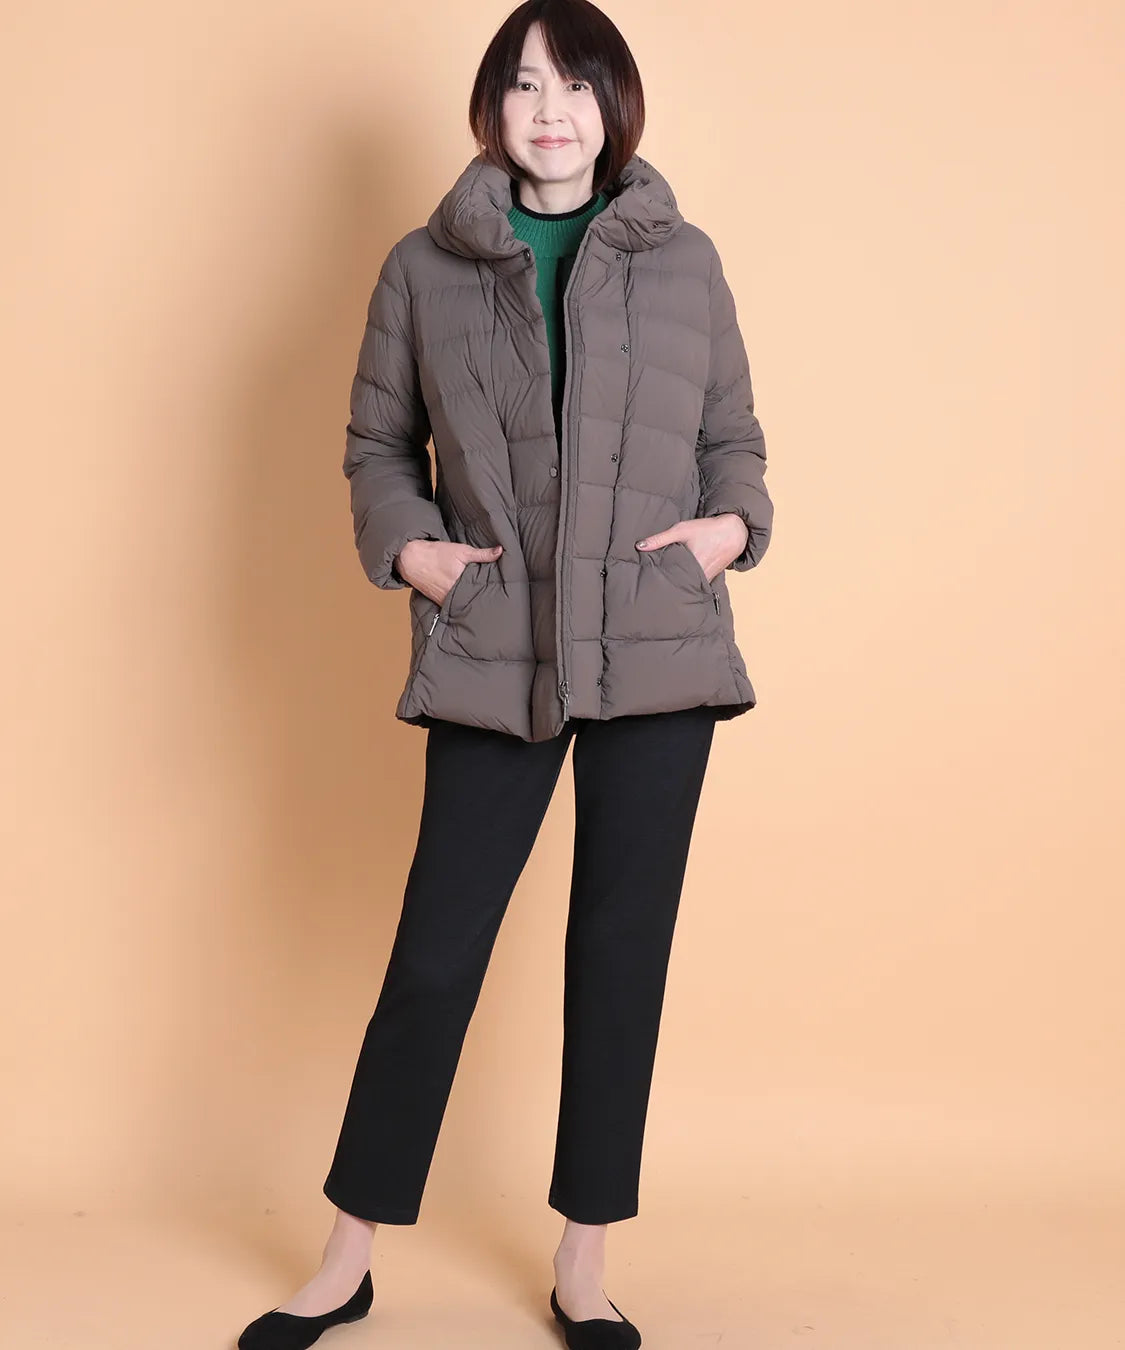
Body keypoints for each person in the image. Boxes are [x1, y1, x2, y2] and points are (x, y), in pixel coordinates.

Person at [236, 2, 772, 1347]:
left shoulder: (684, 258)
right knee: (436, 952)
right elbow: (376, 444)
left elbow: (733, 435)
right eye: (527, 83)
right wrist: (412, 551)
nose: (552, 109)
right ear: (492, 107)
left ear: (613, 106)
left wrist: (729, 528)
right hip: (495, 645)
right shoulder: (423, 267)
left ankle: (584, 1262)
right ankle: (347, 1256)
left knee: (619, 953)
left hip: (655, 645)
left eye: (578, 85)